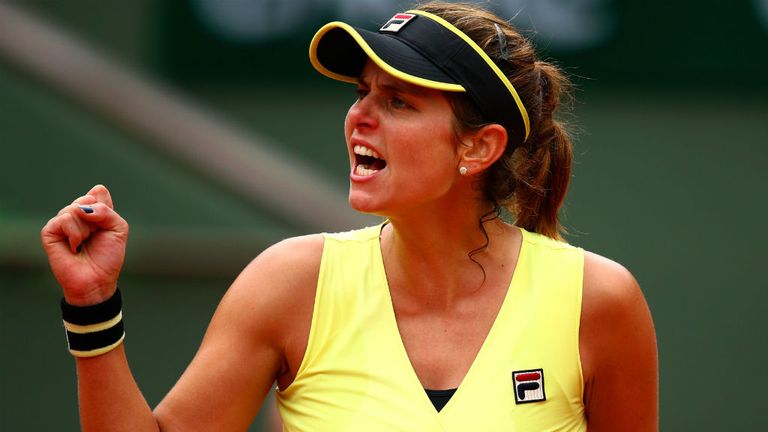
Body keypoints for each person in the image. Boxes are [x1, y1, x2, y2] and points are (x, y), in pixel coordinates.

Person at [40, 2, 657, 431]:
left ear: (478, 147)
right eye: (361, 92)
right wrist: (93, 308)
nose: (360, 116)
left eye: (398, 101)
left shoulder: (598, 301)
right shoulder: (289, 283)